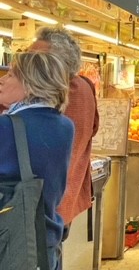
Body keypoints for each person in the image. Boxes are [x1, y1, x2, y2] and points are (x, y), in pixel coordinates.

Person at [0, 52, 74, 270]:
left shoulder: (7, 128)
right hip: (46, 239)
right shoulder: (65, 126)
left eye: (12, 75)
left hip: (11, 246)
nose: (3, 79)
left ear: (31, 84)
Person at [29, 27, 100, 234]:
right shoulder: (86, 88)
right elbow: (93, 128)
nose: (25, 64)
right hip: (64, 203)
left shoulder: (50, 95)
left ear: (56, 64)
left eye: (34, 58)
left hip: (40, 207)